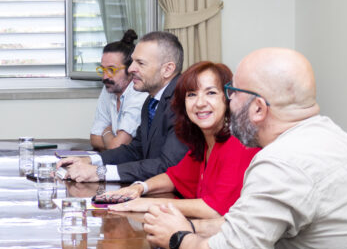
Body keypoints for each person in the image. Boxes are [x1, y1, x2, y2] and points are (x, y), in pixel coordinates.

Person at [143, 48, 347, 249]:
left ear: (258, 108)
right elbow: (249, 225)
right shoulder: (330, 135)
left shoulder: (281, 163)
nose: (229, 100)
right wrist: (193, 228)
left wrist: (177, 237)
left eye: (233, 92)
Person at [105, 62, 260, 218]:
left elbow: (214, 209)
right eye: (191, 94)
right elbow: (174, 177)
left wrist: (149, 203)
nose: (200, 103)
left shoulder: (238, 143)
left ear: (228, 98)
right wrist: (139, 187)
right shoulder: (205, 141)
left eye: (211, 93)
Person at [60, 31, 188, 183]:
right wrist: (91, 160)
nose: (131, 68)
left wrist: (100, 172)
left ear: (167, 69)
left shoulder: (183, 101)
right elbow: (136, 150)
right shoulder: (151, 100)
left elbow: (167, 166)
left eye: (140, 63)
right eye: (133, 61)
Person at [90, 29, 148, 151]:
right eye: (103, 69)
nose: (105, 77)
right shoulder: (109, 88)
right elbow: (94, 138)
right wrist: (111, 137)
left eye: (112, 70)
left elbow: (117, 146)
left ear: (130, 70)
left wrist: (106, 131)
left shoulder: (139, 93)